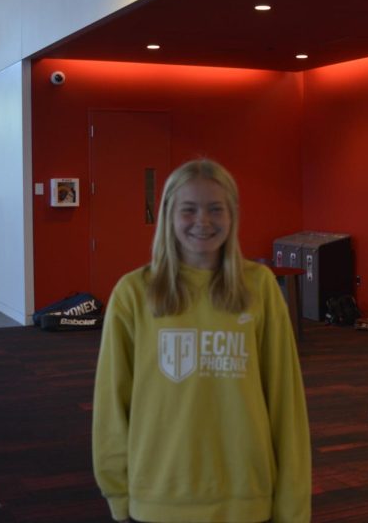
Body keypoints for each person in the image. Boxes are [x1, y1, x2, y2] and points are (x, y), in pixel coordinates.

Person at [92, 159, 311, 523]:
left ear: (233, 214)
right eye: (188, 209)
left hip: (247, 499)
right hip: (157, 499)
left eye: (215, 209)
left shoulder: (259, 288)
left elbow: (286, 406)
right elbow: (111, 406)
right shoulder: (134, 293)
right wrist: (118, 492)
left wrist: (293, 508)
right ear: (168, 215)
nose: (202, 221)